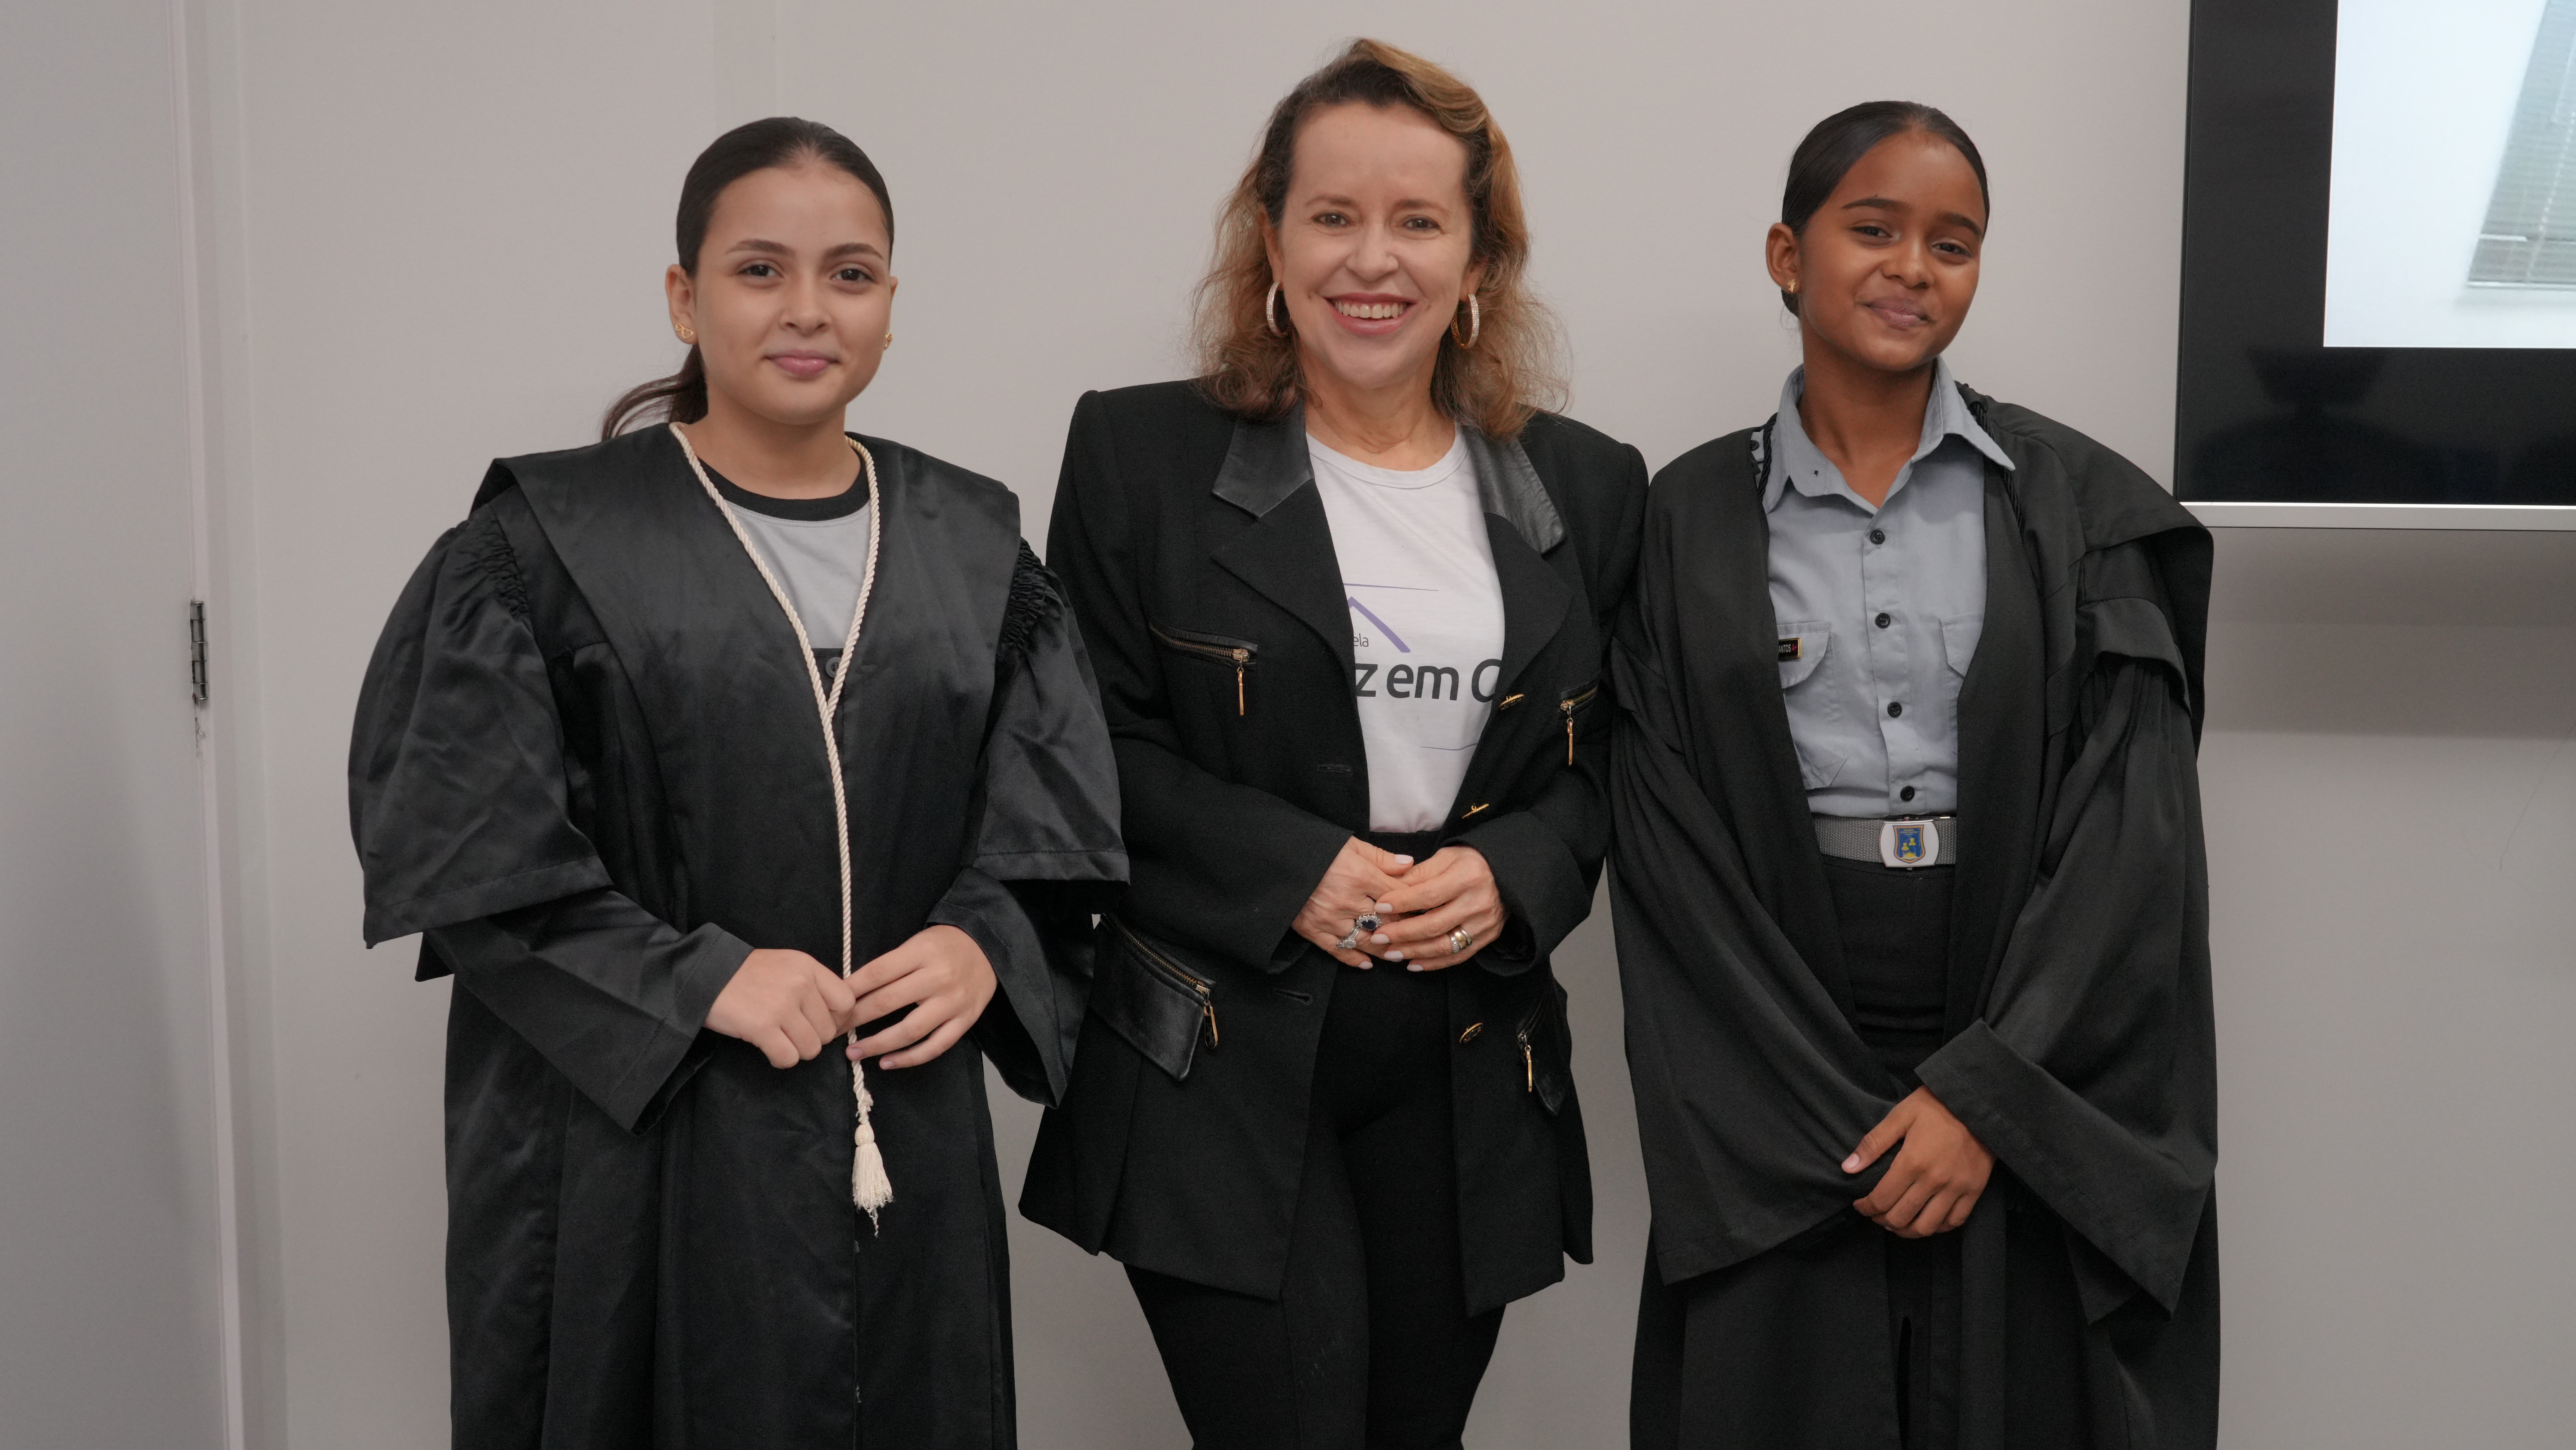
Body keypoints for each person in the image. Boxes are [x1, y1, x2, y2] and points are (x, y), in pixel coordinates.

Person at [347, 117, 1124, 1449]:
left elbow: (1053, 818)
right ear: (684, 296)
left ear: (891, 306)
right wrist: (698, 979)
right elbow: (473, 859)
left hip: (896, 1116)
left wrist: (986, 943)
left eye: (851, 274)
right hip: (633, 1142)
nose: (807, 309)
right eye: (760, 270)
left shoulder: (976, 548)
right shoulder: (541, 547)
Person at [1018, 39, 1645, 1450]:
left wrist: (1512, 873)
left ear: (1479, 257)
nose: (1374, 260)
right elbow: (1080, 745)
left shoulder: (1589, 486)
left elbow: (1612, 765)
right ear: (1274, 239)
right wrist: (1289, 866)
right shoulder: (1138, 458)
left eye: (1418, 220)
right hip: (1217, 1055)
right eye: (1334, 216)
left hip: (1468, 1062)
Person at [1609, 102, 2219, 1449]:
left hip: (2022, 998)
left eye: (1954, 243)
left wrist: (1988, 1099)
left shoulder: (2081, 508)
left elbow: (2131, 839)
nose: (1913, 268)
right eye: (1873, 229)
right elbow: (1663, 840)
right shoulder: (1683, 522)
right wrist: (1823, 1105)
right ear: (1788, 255)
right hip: (1780, 1009)